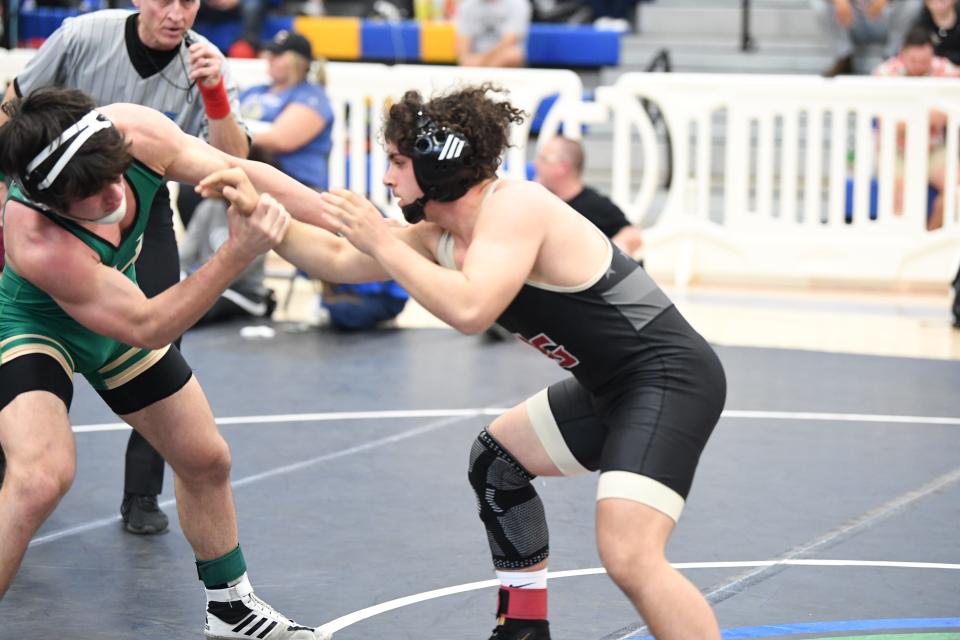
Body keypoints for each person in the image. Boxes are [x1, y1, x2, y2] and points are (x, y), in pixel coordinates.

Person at [201, 83, 728, 640]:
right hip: (610, 387)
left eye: (398, 163)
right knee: (496, 463)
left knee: (628, 554)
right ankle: (523, 631)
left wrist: (382, 240)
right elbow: (334, 255)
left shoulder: (515, 207)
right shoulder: (443, 235)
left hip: (667, 378)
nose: (387, 179)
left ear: (435, 163)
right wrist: (259, 211)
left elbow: (473, 309)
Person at [0, 86, 334, 639]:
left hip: (120, 307)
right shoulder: (34, 237)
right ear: (53, 201)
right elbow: (150, 326)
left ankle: (230, 608)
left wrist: (340, 217)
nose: (114, 194)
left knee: (205, 459)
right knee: (40, 477)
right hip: (34, 325)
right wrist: (236, 253)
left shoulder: (136, 131)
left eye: (114, 174)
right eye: (91, 192)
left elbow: (238, 169)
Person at [1, 0, 251, 535]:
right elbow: (13, 106)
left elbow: (237, 160)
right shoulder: (84, 34)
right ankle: (14, 457)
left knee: (165, 328)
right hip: (61, 200)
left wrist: (215, 94)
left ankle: (142, 492)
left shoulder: (203, 62)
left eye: (190, 0)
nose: (178, 12)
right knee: (39, 456)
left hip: (138, 192)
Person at [873, 25, 960, 230]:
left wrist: (916, 119)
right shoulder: (885, 74)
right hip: (897, 152)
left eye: (925, 61)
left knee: (956, 188)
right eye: (914, 61)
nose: (920, 67)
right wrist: (935, 116)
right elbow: (892, 123)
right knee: (900, 198)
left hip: (934, 149)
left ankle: (931, 241)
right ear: (903, 54)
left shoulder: (942, 68)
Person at [240, 30, 334, 191]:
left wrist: (232, 135)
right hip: (252, 177)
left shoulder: (311, 97)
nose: (270, 59)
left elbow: (280, 140)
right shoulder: (255, 91)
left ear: (297, 62)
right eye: (270, 53)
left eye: (278, 55)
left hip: (297, 184)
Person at [533, 134, 643, 259]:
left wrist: (612, 255)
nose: (536, 163)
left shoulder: (594, 205)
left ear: (563, 167)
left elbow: (632, 234)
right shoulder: (540, 201)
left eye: (543, 159)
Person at [811, 0, 922, 76]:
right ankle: (844, 57)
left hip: (885, 18)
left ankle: (892, 57)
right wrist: (840, 2)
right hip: (852, 20)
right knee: (819, 4)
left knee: (913, 3)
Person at [456, 0, 532, 68]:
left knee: (513, 55)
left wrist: (482, 60)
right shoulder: (467, 5)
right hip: (475, 58)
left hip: (502, 57)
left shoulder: (518, 3)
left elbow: (509, 41)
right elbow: (463, 41)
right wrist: (467, 58)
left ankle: (479, 77)